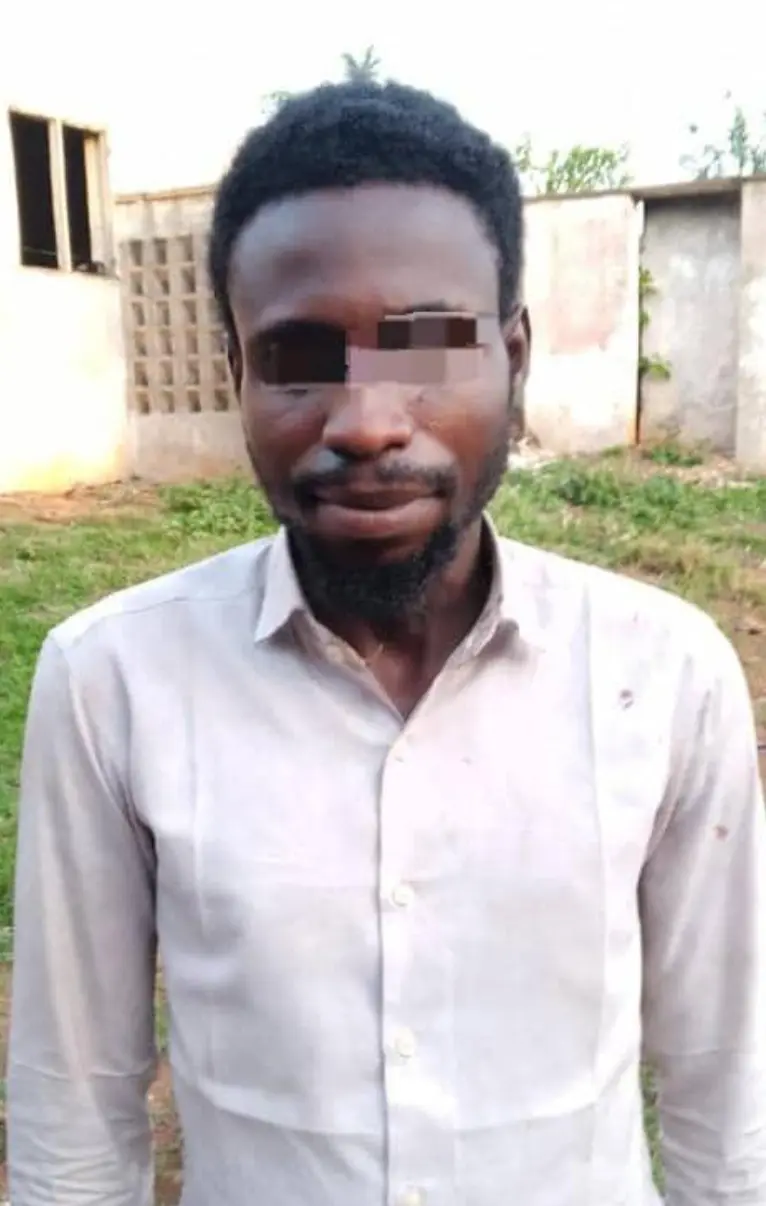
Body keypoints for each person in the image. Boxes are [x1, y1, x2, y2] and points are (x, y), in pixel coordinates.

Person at [8, 80, 766, 1206]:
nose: (364, 422)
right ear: (239, 376)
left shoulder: (663, 676)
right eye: (299, 354)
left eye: (427, 346)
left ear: (514, 360)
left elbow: (727, 1090)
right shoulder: (112, 681)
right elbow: (74, 1108)